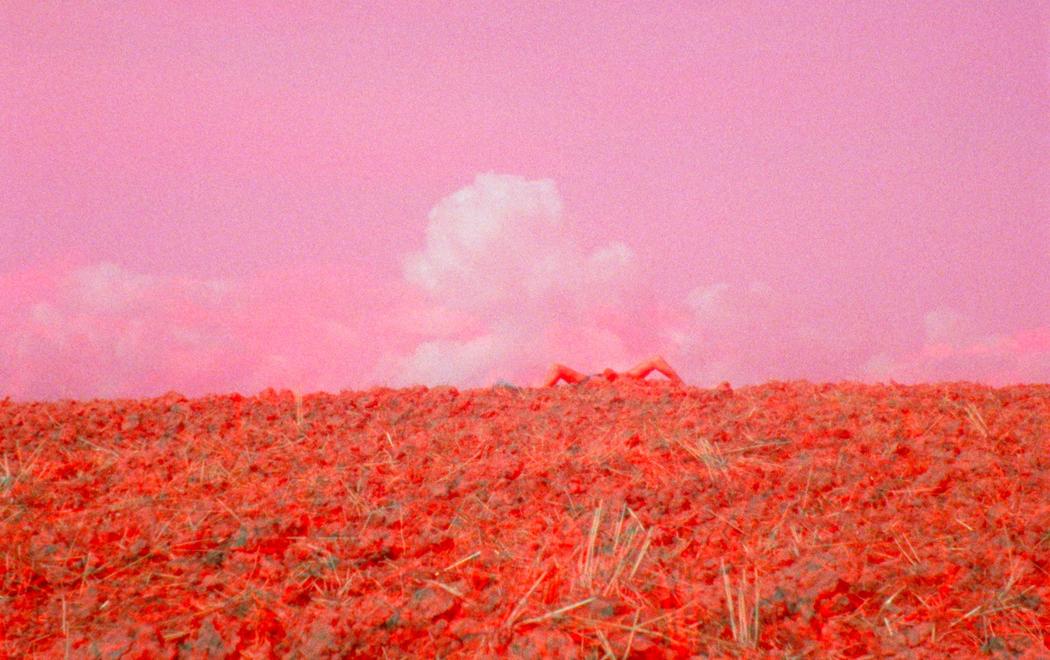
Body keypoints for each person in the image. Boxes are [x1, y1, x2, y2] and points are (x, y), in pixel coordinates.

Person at [542, 356, 683, 387]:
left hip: (596, 381)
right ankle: (540, 392)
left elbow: (656, 360)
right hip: (591, 380)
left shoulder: (628, 376)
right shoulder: (587, 381)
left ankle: (680, 383)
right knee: (556, 367)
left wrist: (679, 383)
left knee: (655, 359)